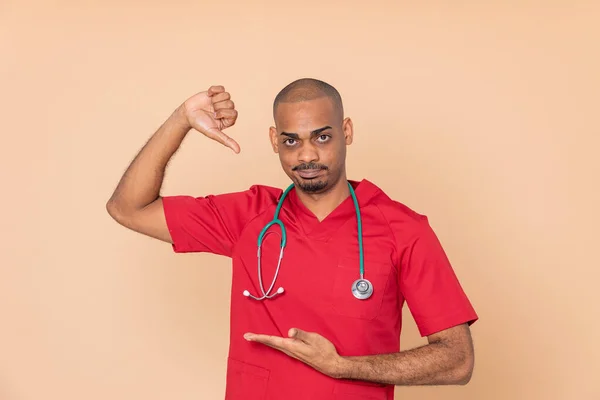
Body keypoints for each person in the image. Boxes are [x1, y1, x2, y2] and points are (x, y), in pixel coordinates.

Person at [106, 78, 479, 400]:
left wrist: (343, 366)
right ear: (274, 140)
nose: (307, 155)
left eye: (322, 137)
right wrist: (181, 119)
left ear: (346, 132)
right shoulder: (251, 216)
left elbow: (457, 359)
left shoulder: (403, 230)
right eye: (291, 141)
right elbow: (128, 208)